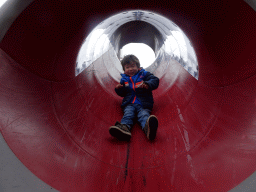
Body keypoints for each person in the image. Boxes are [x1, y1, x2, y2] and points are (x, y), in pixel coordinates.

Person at [109, 54, 159, 141]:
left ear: (138, 67)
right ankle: (124, 129)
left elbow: (155, 80)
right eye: (127, 67)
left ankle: (148, 128)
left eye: (133, 66)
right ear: (124, 70)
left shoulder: (143, 74)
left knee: (143, 115)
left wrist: (147, 84)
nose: (130, 69)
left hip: (143, 103)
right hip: (129, 103)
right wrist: (119, 89)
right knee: (128, 115)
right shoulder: (124, 80)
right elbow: (123, 93)